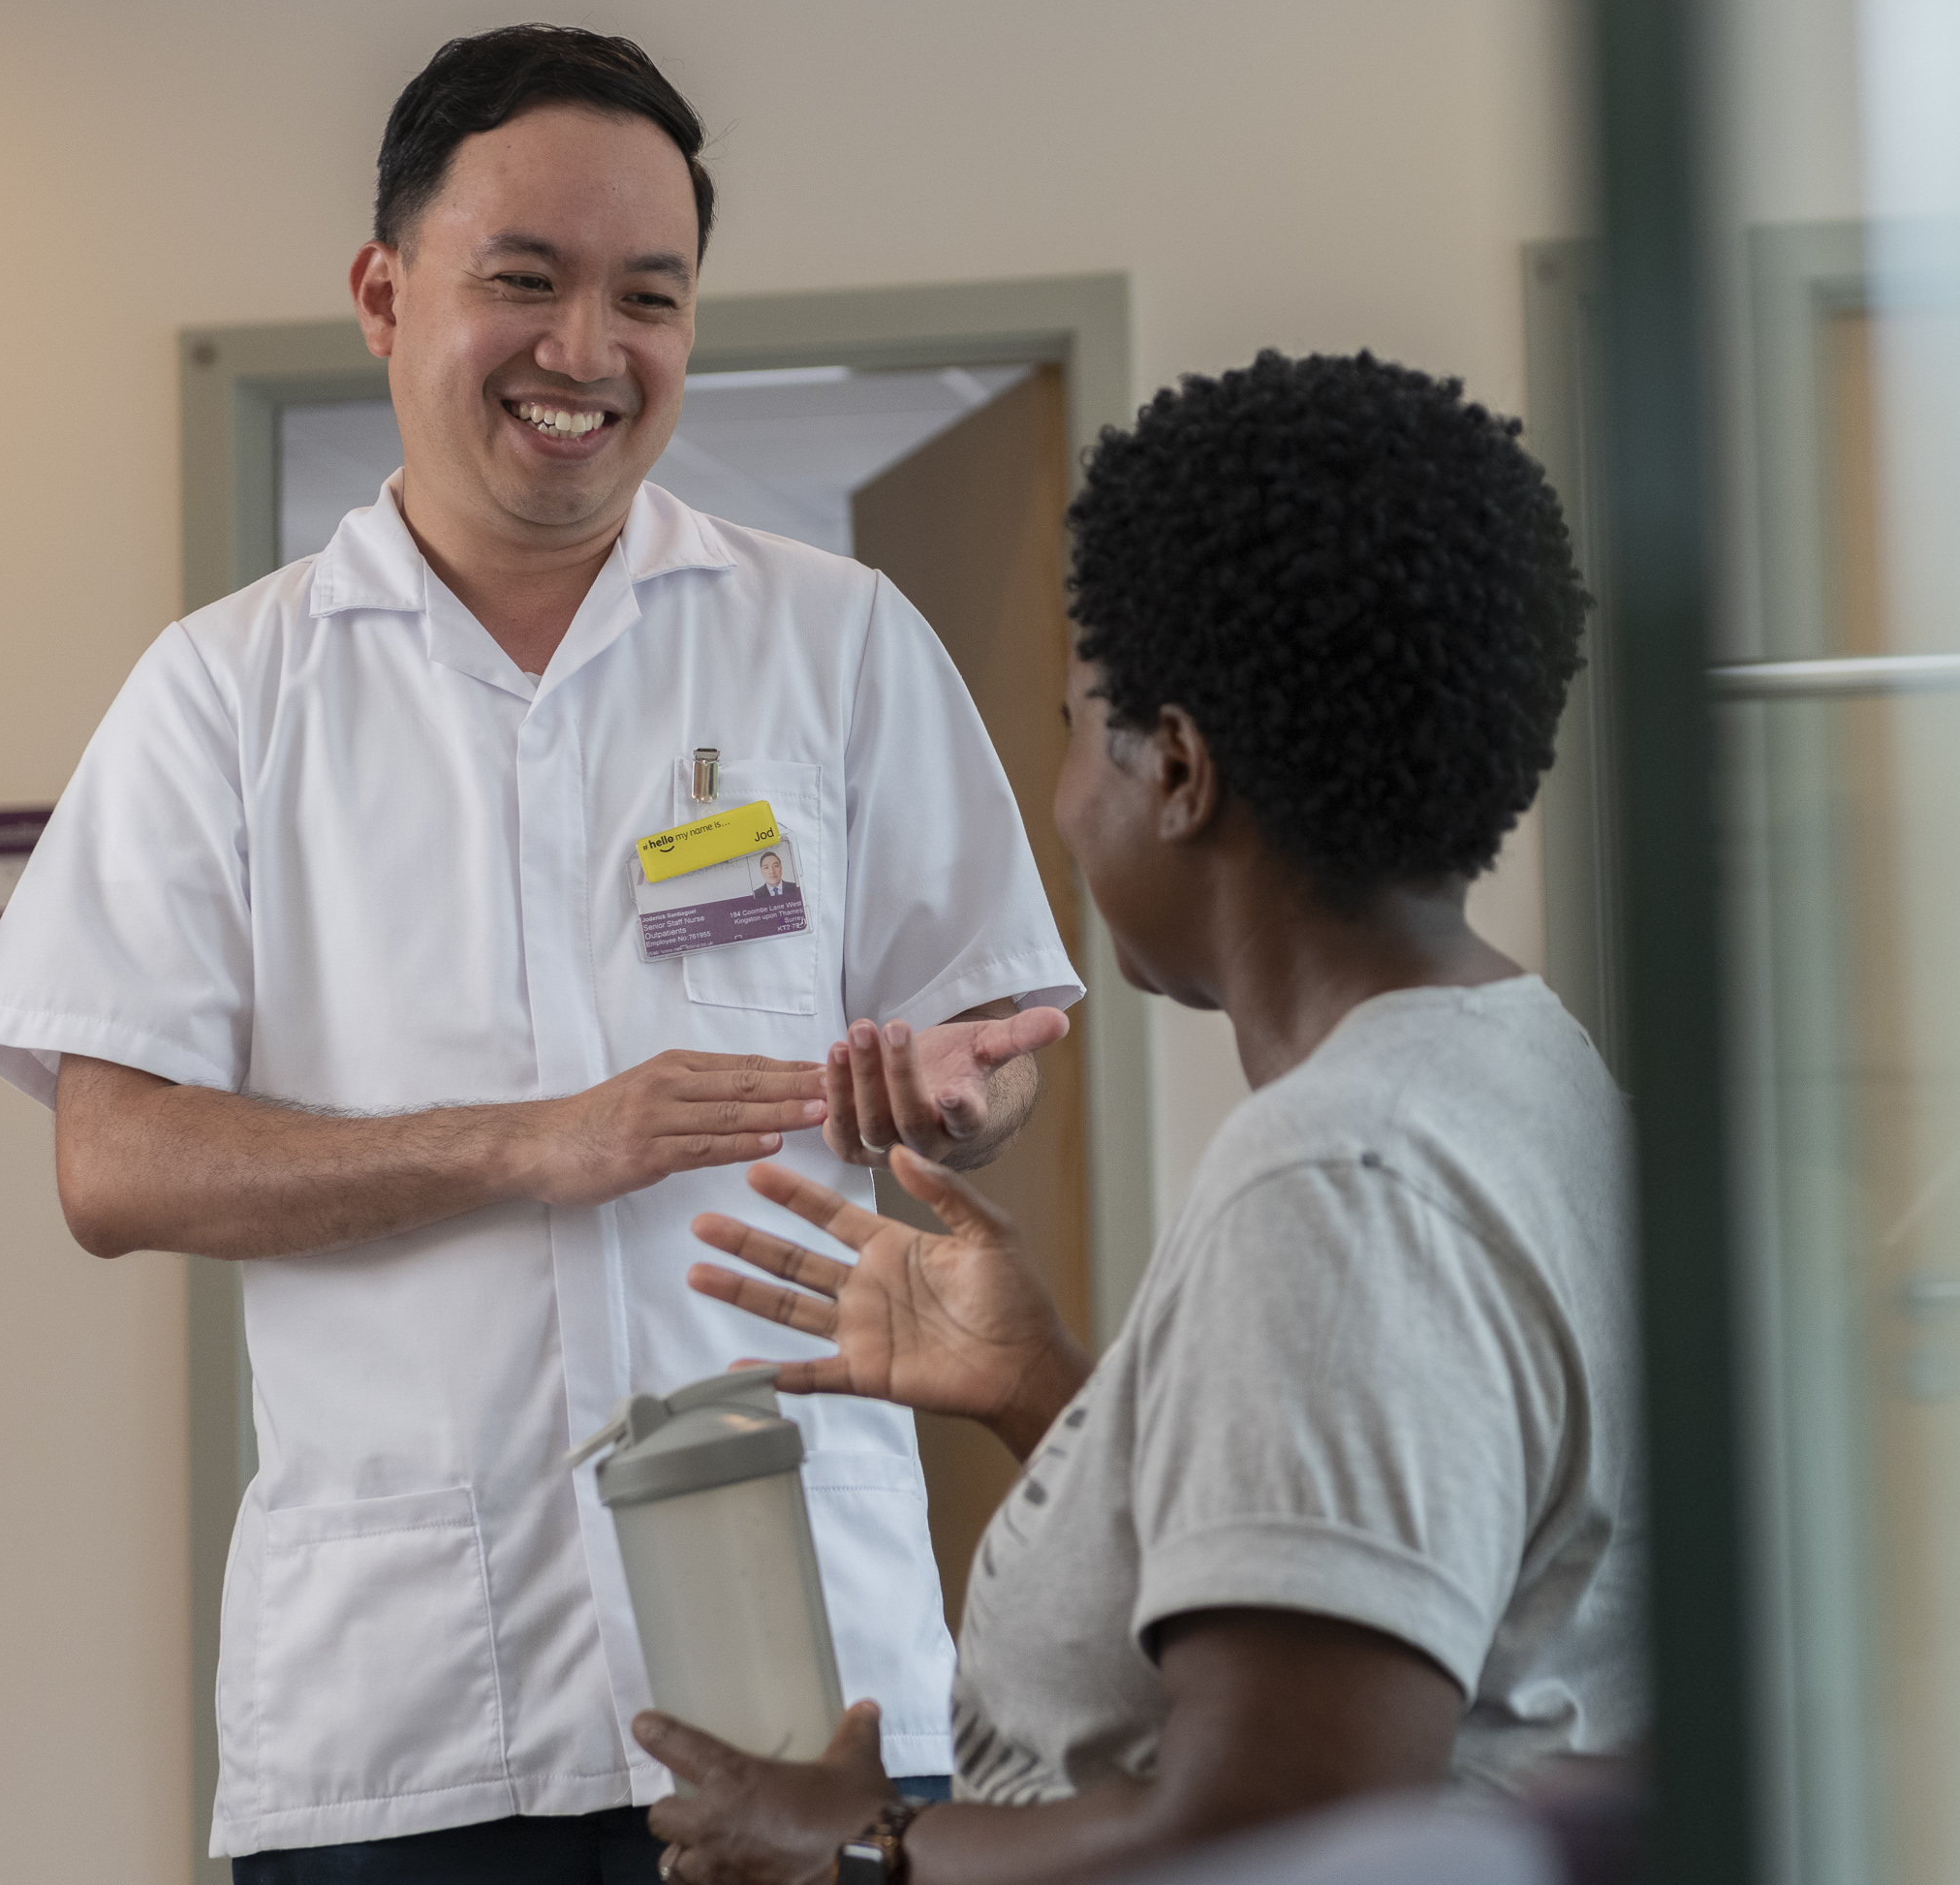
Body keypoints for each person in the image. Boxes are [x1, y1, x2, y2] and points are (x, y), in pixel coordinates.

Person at [0, 26, 1082, 1876]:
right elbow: (113, 1157)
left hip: (813, 1698)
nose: (587, 352)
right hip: (402, 1727)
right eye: (524, 282)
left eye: (650, 295)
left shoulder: (839, 643)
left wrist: (962, 1105)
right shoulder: (226, 695)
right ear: (384, 296)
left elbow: (997, 1037)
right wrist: (525, 1139)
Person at [638, 352, 1643, 1885]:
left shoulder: (1340, 1174)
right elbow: (1360, 1561)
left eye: (1071, 723)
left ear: (1176, 767)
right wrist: (1049, 1391)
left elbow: (1281, 1824)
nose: (1056, 797)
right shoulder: (1526, 1068)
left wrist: (870, 1845)